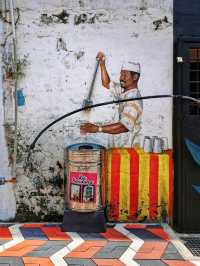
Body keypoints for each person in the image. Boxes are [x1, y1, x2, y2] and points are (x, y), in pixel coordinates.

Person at [80, 52, 143, 147]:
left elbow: (124, 126)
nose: (121, 78)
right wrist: (102, 65)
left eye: (125, 75)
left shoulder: (134, 99)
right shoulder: (123, 90)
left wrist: (98, 128)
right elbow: (107, 83)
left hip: (127, 148)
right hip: (117, 144)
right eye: (121, 74)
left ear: (135, 77)